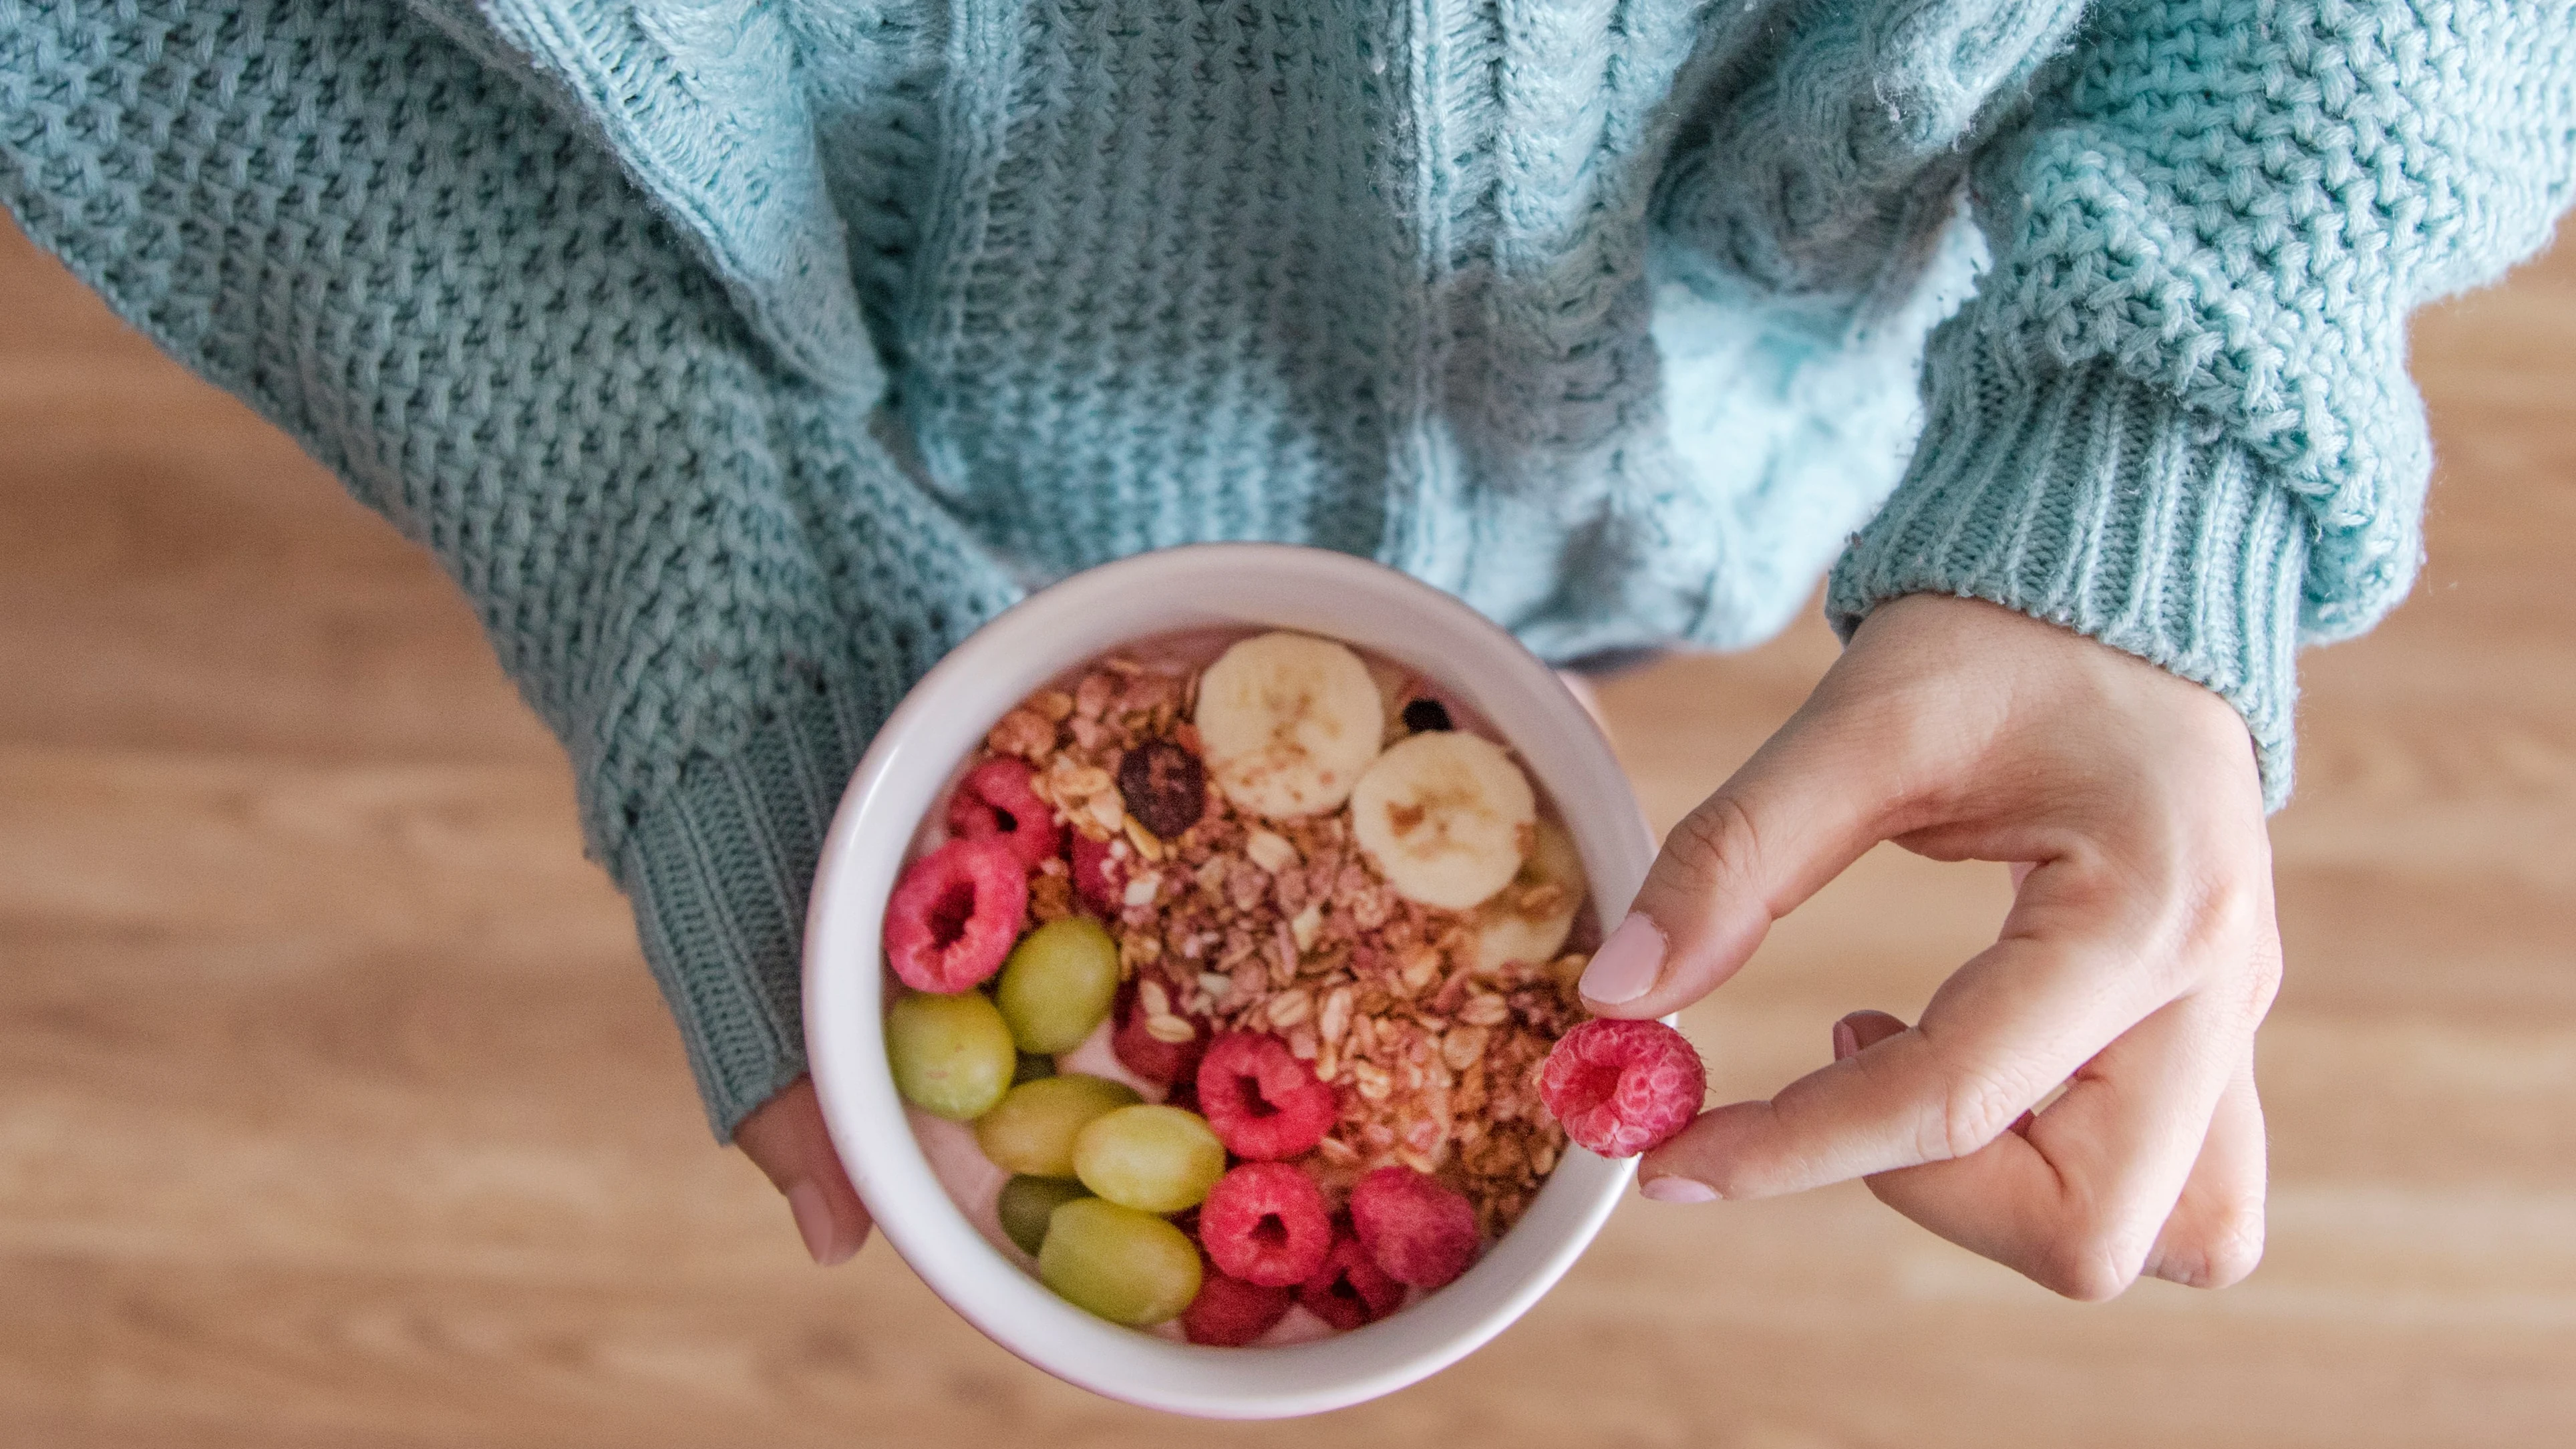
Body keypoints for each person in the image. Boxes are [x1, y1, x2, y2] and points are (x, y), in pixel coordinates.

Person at [4, 1, 2569, 1301]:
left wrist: (2169, 433)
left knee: (1633, 631)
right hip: (866, 399)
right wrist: (669, 511)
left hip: (1750, 421)